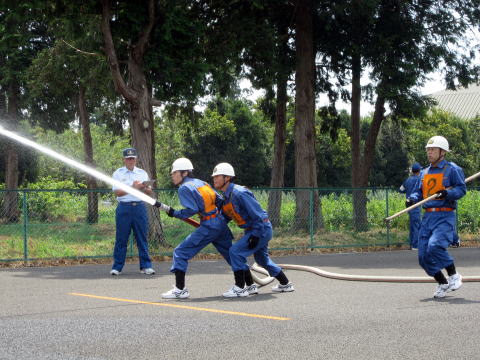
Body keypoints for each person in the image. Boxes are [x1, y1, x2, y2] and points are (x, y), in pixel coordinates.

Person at [211, 162, 294, 297]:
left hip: (260, 229)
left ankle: (240, 288)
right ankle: (285, 284)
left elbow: (259, 215)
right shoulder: (226, 197)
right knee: (262, 260)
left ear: (227, 178)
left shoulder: (239, 193)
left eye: (217, 176)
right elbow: (227, 216)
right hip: (254, 230)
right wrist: (211, 225)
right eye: (213, 176)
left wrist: (255, 235)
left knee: (235, 252)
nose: (214, 179)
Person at [159, 158, 234, 299]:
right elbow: (220, 201)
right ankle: (246, 285)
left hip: (209, 226)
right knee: (232, 255)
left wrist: (175, 213)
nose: (172, 175)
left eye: (174, 172)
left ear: (185, 173)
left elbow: (192, 209)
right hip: (219, 223)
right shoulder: (202, 183)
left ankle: (180, 290)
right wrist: (219, 219)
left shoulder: (184, 188)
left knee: (180, 252)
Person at [407, 136, 465, 298]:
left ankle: (454, 275)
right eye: (428, 150)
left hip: (445, 215)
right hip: (428, 218)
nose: (429, 153)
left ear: (443, 152)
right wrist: (411, 198)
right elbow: (419, 192)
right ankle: (442, 282)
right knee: (423, 257)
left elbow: (462, 189)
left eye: (432, 150)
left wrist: (448, 192)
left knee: (435, 246)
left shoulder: (452, 169)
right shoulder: (424, 172)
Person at [110, 148, 156, 276]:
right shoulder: (117, 174)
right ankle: (117, 267)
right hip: (124, 207)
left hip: (139, 207)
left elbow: (149, 191)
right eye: (128, 158)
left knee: (142, 237)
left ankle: (146, 266)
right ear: (124, 159)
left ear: (136, 159)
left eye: (133, 158)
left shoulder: (142, 173)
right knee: (121, 238)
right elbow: (117, 192)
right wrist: (132, 187)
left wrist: (145, 187)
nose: (131, 161)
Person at [399, 162, 422, 249]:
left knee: (413, 225)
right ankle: (415, 245)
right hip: (416, 204)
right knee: (417, 225)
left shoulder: (408, 180)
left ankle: (411, 244)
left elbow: (401, 190)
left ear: (412, 171)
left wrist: (408, 191)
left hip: (408, 205)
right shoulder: (419, 179)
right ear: (419, 170)